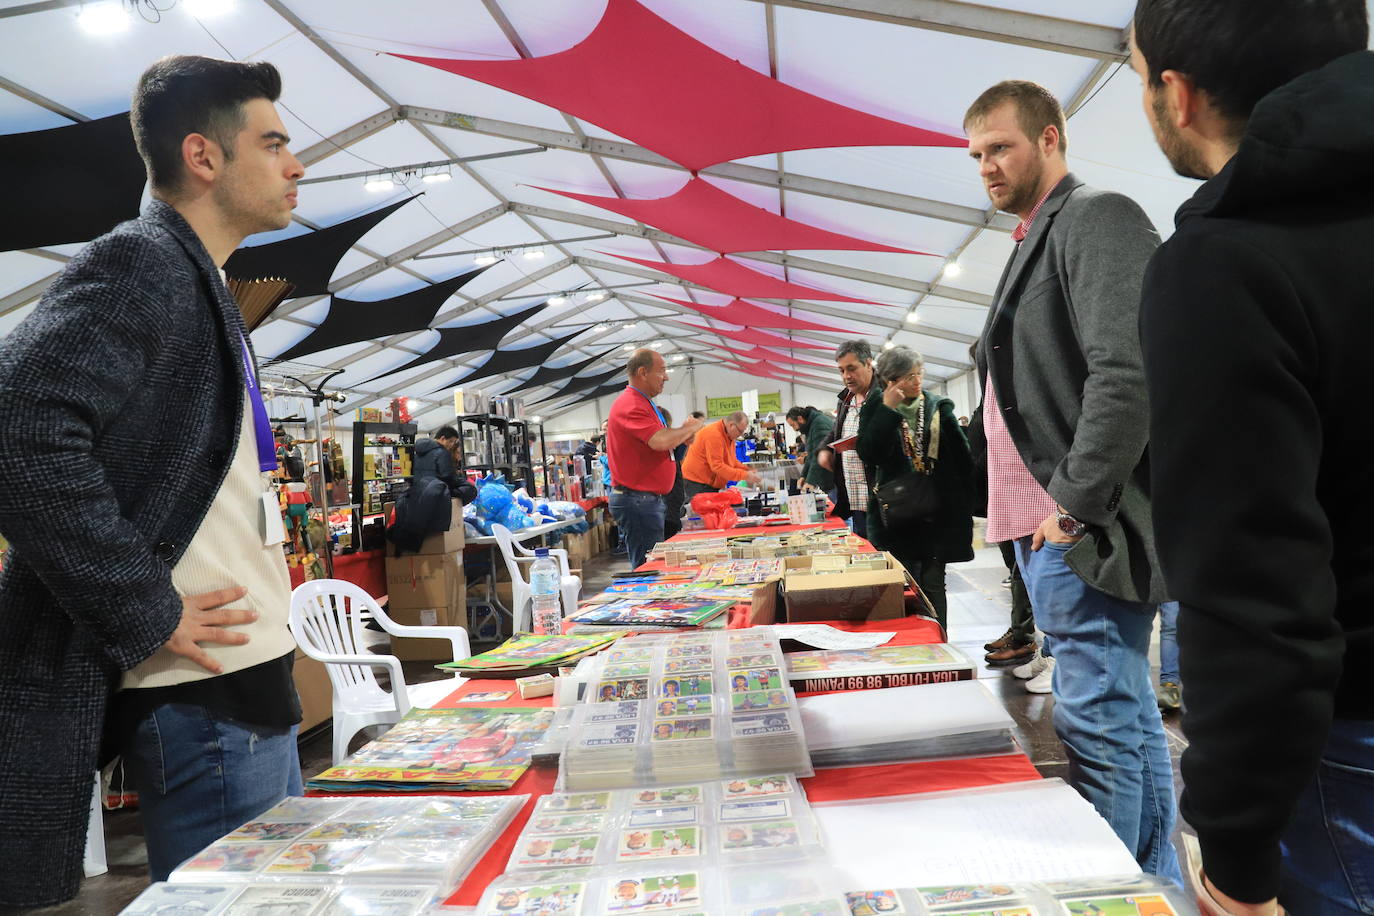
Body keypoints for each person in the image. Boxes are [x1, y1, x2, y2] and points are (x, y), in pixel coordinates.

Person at [0, 56, 307, 905]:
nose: (296, 164)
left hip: (237, 683)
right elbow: (18, 428)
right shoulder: (143, 262)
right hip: (201, 696)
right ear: (205, 157)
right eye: (274, 142)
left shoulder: (196, 281)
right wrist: (144, 605)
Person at [1131, 2, 1372, 911]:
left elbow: (1253, 590)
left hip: (1345, 761)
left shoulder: (1226, 265)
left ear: (1179, 96)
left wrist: (1234, 856)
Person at [965, 79, 1179, 882]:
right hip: (1045, 531)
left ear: (1051, 137)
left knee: (1099, 728)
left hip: (1078, 530)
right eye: (977, 153)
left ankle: (1110, 890)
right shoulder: (1033, 238)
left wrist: (1074, 509)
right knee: (1122, 723)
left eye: (1001, 147)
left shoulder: (1094, 218)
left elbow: (1129, 374)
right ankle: (1153, 887)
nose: (986, 166)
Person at [854, 346, 974, 634]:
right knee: (903, 584)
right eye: (909, 376)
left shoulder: (937, 407)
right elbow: (869, 453)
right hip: (896, 515)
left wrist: (966, 502)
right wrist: (887, 410)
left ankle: (939, 642)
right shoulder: (876, 407)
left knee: (933, 583)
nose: (917, 381)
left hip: (937, 514)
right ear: (890, 380)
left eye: (919, 373)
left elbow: (962, 458)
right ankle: (911, 641)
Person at [605, 349, 702, 569]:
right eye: (662, 371)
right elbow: (659, 441)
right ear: (642, 372)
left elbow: (661, 449)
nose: (667, 377)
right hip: (638, 501)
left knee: (650, 564)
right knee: (647, 568)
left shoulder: (644, 404)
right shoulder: (632, 405)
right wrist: (689, 428)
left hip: (645, 500)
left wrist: (682, 437)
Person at [815, 340, 878, 539]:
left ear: (869, 363)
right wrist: (824, 449)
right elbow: (835, 432)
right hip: (855, 498)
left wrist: (862, 443)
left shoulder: (885, 396)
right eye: (841, 370)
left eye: (851, 368)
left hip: (880, 498)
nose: (846, 376)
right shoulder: (846, 399)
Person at [681, 411, 761, 500]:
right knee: (700, 512)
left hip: (707, 485)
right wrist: (745, 475)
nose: (741, 434)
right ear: (731, 425)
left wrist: (748, 470)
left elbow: (732, 462)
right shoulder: (714, 435)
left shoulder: (728, 436)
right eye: (740, 431)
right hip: (696, 485)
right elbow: (717, 466)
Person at [411, 425, 477, 504]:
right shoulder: (442, 453)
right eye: (451, 441)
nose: (452, 445)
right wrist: (464, 483)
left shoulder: (417, 453)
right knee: (471, 489)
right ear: (442, 439)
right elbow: (449, 477)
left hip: (419, 492)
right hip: (438, 493)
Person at [785, 406, 835, 495]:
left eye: (793, 425)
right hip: (828, 479)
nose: (794, 429)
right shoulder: (811, 426)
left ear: (800, 419)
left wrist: (810, 481)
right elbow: (812, 455)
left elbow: (818, 455)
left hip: (833, 480)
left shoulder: (819, 425)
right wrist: (803, 476)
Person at [660, 408, 692, 540]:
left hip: (673, 498)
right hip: (668, 500)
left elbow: (677, 456)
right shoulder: (661, 442)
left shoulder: (668, 441)